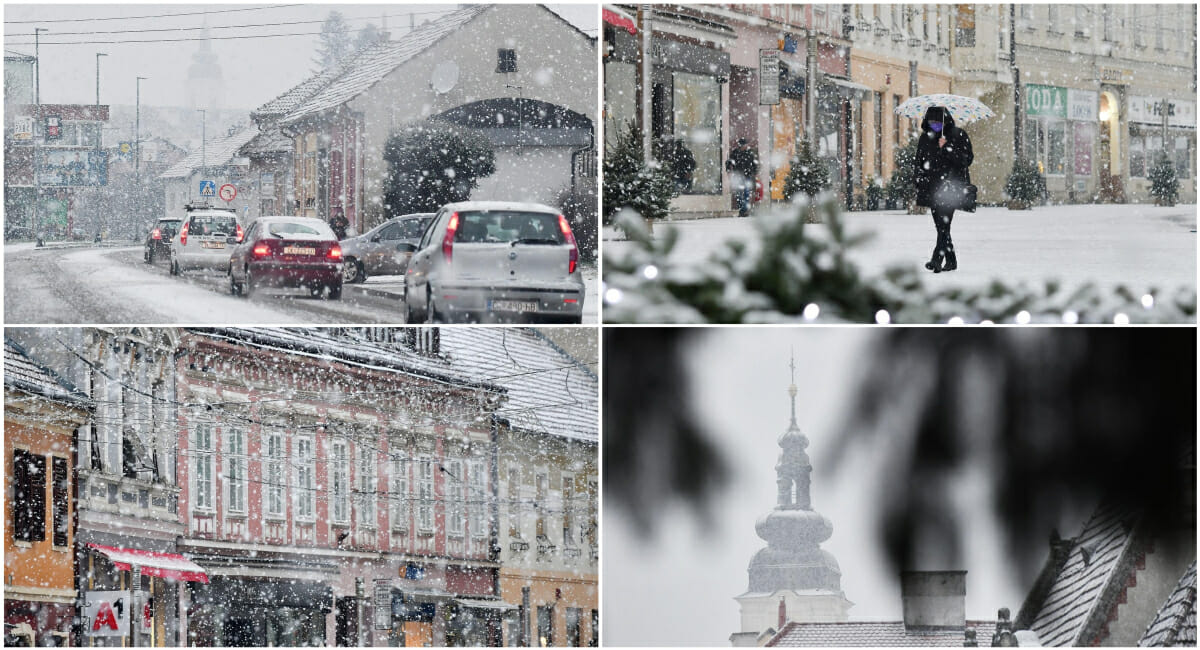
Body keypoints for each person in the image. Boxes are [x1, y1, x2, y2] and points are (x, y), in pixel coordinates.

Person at [915, 106, 973, 272]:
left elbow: (966, 160)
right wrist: (918, 181)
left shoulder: (958, 135)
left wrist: (948, 148)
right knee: (941, 226)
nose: (935, 125)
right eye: (931, 122)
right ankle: (951, 260)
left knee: (943, 225)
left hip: (950, 188)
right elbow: (919, 162)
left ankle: (936, 259)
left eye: (938, 122)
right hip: (931, 188)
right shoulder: (925, 138)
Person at [726, 138, 759, 218]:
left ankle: (744, 210)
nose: (745, 146)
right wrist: (728, 170)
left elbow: (754, 164)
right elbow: (729, 162)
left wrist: (754, 173)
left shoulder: (749, 153)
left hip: (747, 176)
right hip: (738, 176)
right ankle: (742, 209)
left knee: (746, 193)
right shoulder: (735, 153)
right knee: (739, 194)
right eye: (744, 145)